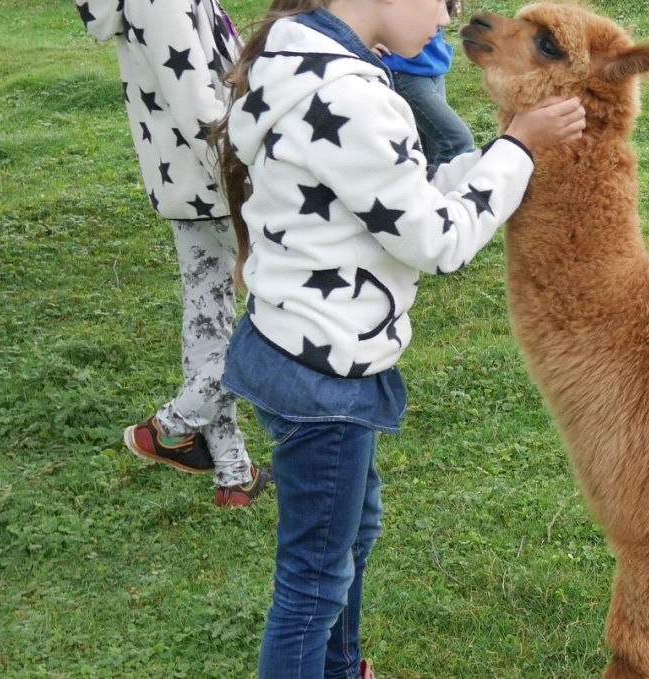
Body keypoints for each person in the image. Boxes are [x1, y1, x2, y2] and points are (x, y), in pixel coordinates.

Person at [213, 0, 585, 676]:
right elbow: (438, 240)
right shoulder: (351, 95)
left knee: (354, 531)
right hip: (325, 376)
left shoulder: (298, 60)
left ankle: (343, 665)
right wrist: (518, 149)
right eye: (444, 0)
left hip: (286, 346)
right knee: (313, 580)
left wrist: (484, 168)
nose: (451, 16)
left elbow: (393, 194)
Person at [75, 0, 271, 507]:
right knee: (279, 310)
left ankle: (234, 475)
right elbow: (197, 108)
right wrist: (248, 175)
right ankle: (170, 426)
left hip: (193, 181)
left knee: (209, 320)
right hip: (216, 177)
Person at [377, 0, 476, 169]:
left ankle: (431, 189)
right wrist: (358, 36)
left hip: (432, 62)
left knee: (436, 144)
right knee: (457, 141)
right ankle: (447, 193)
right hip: (404, 71)